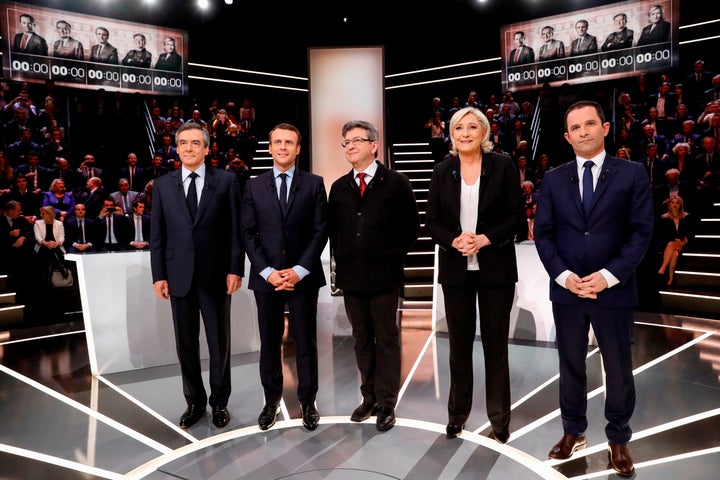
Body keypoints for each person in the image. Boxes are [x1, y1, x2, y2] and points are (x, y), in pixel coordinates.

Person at [533, 101, 654, 477]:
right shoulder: (553, 178)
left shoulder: (632, 174)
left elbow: (641, 232)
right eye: (576, 127)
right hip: (568, 291)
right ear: (567, 136)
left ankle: (618, 437)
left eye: (590, 124)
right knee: (569, 366)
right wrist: (564, 276)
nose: (584, 131)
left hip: (613, 290)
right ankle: (574, 431)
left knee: (617, 368)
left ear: (604, 127)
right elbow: (544, 234)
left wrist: (608, 275)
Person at [425, 107, 525, 443]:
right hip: (456, 273)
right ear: (451, 136)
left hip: (495, 269)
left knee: (496, 347)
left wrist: (485, 238)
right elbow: (433, 222)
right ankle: (457, 414)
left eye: (471, 127)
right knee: (458, 346)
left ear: (483, 133)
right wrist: (454, 240)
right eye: (458, 128)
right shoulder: (442, 171)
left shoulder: (503, 165)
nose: (464, 133)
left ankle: (499, 418)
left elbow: (515, 216)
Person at [150, 122, 244, 430]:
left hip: (217, 277)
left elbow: (234, 230)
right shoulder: (163, 185)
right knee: (186, 343)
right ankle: (194, 401)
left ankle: (219, 402)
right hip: (178, 277)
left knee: (219, 343)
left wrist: (235, 268)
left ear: (206, 148)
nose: (188, 148)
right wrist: (158, 275)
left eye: (195, 143)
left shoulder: (227, 181)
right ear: (176, 149)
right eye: (183, 143)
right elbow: (158, 235)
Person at [328, 120, 420, 432]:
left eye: (357, 140)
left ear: (374, 145)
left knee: (387, 340)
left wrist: (389, 256)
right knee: (361, 340)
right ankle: (368, 397)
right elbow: (334, 233)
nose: (350, 146)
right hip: (352, 280)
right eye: (346, 142)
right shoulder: (339, 187)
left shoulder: (396, 182)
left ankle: (386, 402)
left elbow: (411, 229)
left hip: (384, 278)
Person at [241, 123, 328, 432]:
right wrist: (268, 273)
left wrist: (298, 270)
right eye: (277, 141)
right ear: (269, 148)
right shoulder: (253, 185)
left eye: (289, 142)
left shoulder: (315, 183)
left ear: (298, 148)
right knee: (269, 343)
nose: (282, 147)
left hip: (303, 277)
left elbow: (320, 231)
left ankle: (308, 401)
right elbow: (248, 233)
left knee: (306, 343)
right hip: (267, 279)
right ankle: (271, 401)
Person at [656, 196, 697, 286]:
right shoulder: (664, 218)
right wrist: (674, 240)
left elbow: (690, 233)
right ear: (669, 205)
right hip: (669, 246)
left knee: (672, 245)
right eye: (672, 202)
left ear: (680, 205)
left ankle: (663, 268)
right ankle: (671, 279)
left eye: (677, 203)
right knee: (674, 253)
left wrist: (683, 241)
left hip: (683, 244)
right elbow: (662, 235)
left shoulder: (686, 217)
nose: (674, 205)